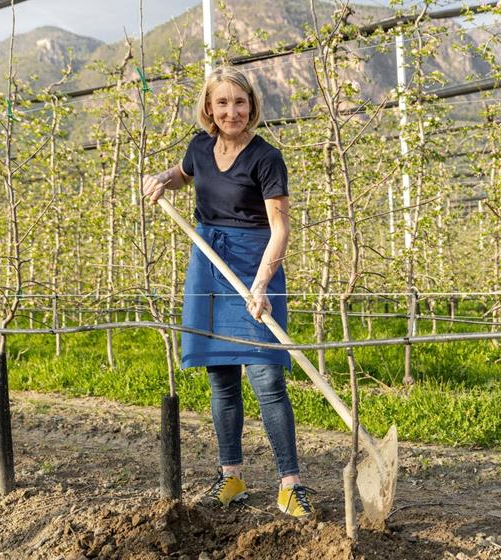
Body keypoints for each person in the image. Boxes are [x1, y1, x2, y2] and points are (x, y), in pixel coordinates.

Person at [141, 66, 314, 519]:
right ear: (209, 109)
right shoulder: (200, 147)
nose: (232, 111)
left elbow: (281, 229)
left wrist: (261, 285)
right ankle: (232, 475)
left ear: (252, 107)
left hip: (257, 261)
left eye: (240, 103)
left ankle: (290, 484)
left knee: (267, 377)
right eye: (222, 103)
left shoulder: (266, 158)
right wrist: (161, 179)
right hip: (208, 264)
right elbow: (183, 174)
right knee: (221, 377)